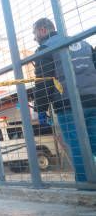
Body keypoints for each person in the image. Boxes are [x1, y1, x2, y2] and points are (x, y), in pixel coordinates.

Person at [33, 17, 96, 182]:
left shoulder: (45, 49)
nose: (34, 38)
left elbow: (44, 83)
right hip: (93, 100)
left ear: (43, 30)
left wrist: (41, 109)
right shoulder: (83, 43)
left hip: (68, 105)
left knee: (78, 147)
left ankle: (86, 185)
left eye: (35, 33)